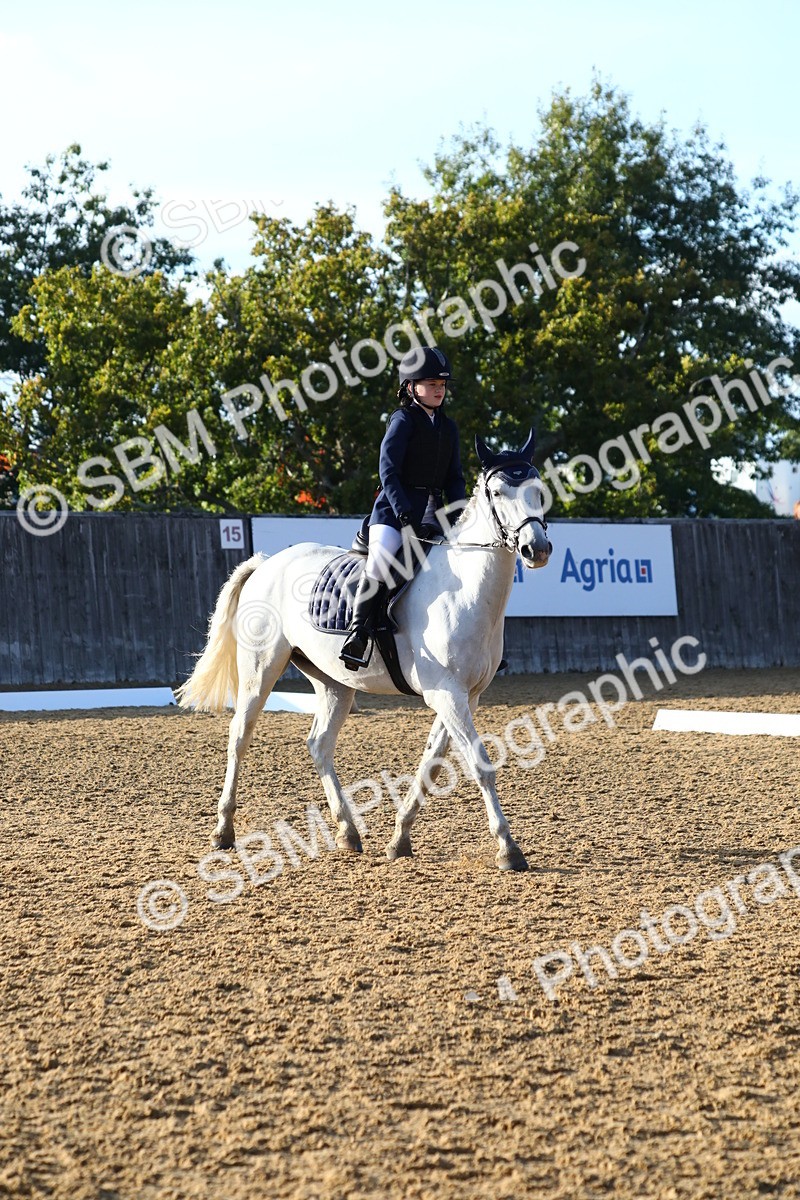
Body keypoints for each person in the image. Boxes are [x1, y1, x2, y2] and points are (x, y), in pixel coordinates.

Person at [340, 346, 467, 670]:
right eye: (431, 384)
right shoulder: (403, 419)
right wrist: (404, 515)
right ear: (411, 387)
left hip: (434, 510)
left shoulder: (448, 427)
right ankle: (358, 634)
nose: (439, 389)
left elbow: (454, 478)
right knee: (382, 560)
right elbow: (389, 472)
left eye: (442, 384)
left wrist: (459, 513)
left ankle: (472, 640)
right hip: (394, 509)